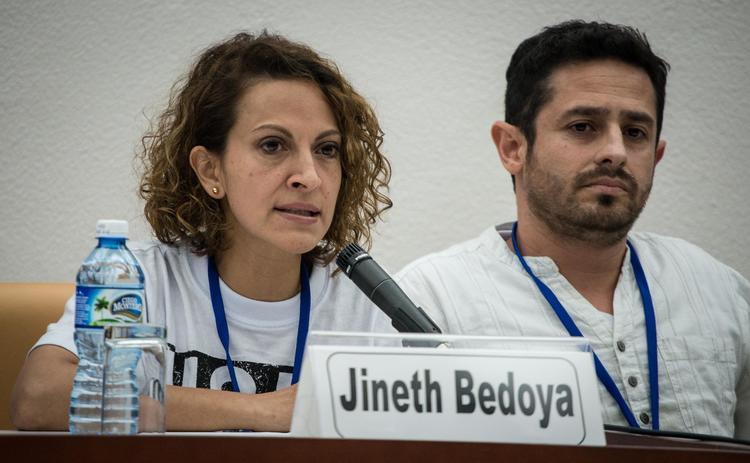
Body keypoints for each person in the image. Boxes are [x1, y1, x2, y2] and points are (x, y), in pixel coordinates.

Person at [11, 31, 394, 432]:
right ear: (211, 170)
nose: (309, 176)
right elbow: (39, 397)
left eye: (326, 149)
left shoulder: (365, 305)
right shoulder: (140, 280)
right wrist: (261, 411)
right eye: (272, 145)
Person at [396, 20, 750, 438]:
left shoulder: (720, 291)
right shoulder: (430, 302)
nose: (616, 152)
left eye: (635, 132)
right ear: (512, 148)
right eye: (583, 126)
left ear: (656, 155)